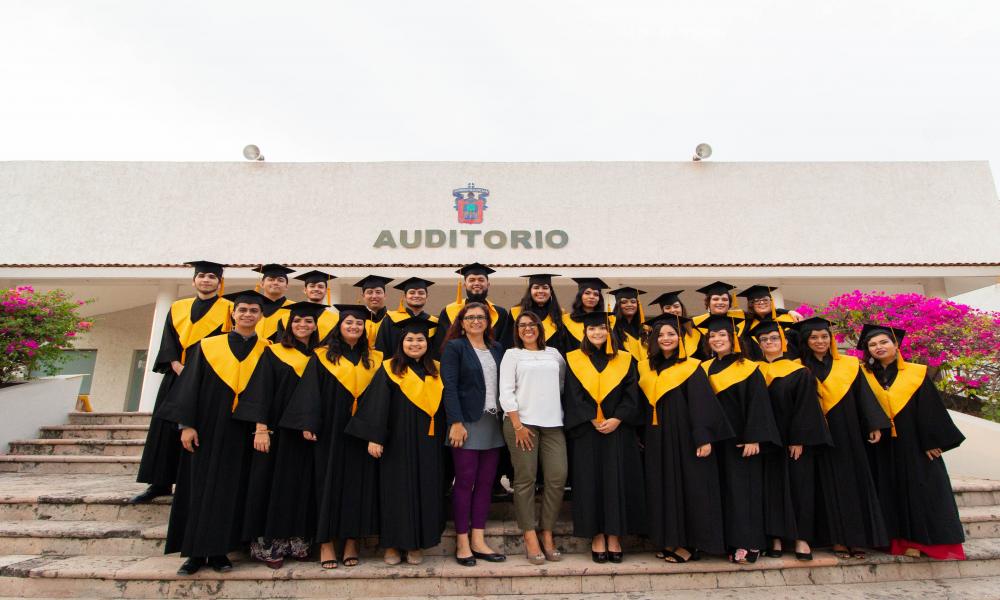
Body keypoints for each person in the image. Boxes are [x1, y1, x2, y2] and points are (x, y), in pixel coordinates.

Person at [156, 289, 270, 575]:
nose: (247, 314)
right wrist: (186, 425)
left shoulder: (267, 349)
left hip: (243, 430)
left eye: (253, 311)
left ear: (261, 315)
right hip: (207, 427)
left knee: (233, 489)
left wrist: (262, 427)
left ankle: (220, 551)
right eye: (242, 310)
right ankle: (194, 554)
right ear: (233, 313)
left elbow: (269, 392)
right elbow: (189, 386)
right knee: (198, 487)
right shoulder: (208, 345)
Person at [280, 304, 384, 569]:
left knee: (358, 485)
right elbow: (310, 390)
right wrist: (308, 422)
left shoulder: (375, 359)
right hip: (330, 429)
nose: (354, 327)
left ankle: (351, 542)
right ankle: (325, 542)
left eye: (358, 324)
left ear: (364, 329)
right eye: (349, 323)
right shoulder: (323, 356)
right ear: (340, 327)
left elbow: (381, 397)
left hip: (361, 431)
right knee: (326, 482)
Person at [858, 324, 966, 560]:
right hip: (881, 445)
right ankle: (894, 541)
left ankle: (922, 541)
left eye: (883, 342)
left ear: (895, 344)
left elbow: (930, 409)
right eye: (872, 344)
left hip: (914, 443)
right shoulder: (865, 375)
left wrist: (932, 441)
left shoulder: (916, 373)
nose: (878, 347)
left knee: (921, 489)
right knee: (888, 489)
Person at [345, 317, 446, 566]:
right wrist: (375, 437)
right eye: (409, 339)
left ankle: (416, 544)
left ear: (427, 343)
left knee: (426, 489)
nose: (415, 343)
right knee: (395, 491)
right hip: (396, 442)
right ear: (401, 343)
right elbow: (378, 403)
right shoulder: (390, 368)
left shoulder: (437, 369)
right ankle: (391, 544)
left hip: (429, 442)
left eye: (420, 339)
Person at [132, 260, 232, 504]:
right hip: (177, 375)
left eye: (212, 277)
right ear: (194, 280)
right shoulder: (178, 307)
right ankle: (160, 483)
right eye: (202, 276)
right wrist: (177, 365)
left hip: (210, 378)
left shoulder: (230, 309)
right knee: (165, 429)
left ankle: (193, 483)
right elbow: (168, 340)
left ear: (220, 282)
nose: (206, 280)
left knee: (201, 428)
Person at [791, 317, 889, 559]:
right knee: (824, 486)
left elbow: (863, 394)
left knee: (852, 483)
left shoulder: (849, 364)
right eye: (814, 337)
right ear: (806, 341)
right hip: (815, 434)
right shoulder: (797, 366)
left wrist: (873, 423)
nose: (820, 341)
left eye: (824, 336)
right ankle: (835, 540)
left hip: (847, 431)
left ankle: (856, 539)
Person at [638, 314, 733, 563]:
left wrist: (703, 437)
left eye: (671, 334)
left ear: (679, 338)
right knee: (663, 487)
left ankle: (691, 544)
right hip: (657, 437)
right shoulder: (644, 367)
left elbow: (701, 404)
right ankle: (671, 539)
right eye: (661, 335)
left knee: (690, 487)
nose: (666, 338)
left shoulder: (691, 366)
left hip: (685, 436)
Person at [238, 301, 326, 568]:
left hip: (306, 433)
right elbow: (261, 391)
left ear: (315, 326)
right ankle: (268, 543)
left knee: (300, 485)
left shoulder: (321, 355)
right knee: (272, 484)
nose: (303, 325)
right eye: (297, 321)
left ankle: (296, 540)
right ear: (289, 325)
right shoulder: (274, 352)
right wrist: (261, 429)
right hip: (277, 431)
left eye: (308, 321)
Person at [563, 311, 645, 564]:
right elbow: (572, 394)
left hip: (618, 431)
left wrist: (618, 418)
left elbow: (632, 394)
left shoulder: (625, 359)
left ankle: (614, 535)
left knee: (616, 482)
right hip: (587, 431)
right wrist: (591, 418)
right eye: (592, 329)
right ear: (585, 333)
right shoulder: (574, 359)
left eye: (601, 328)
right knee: (590, 482)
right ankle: (597, 535)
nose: (597, 333)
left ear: (609, 332)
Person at [699, 314, 781, 564]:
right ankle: (726, 542)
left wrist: (754, 438)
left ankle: (750, 542)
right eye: (712, 336)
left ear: (733, 338)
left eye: (722, 335)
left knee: (743, 491)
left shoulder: (748, 367)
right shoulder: (703, 368)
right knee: (720, 490)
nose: (717, 339)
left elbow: (759, 404)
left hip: (741, 440)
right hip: (715, 441)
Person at [749, 319, 831, 561]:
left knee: (800, 486)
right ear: (759, 345)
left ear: (783, 342)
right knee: (770, 488)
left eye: (774, 338)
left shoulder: (799, 371)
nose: (769, 342)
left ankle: (801, 539)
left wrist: (799, 439)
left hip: (792, 439)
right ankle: (774, 538)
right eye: (764, 340)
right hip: (766, 440)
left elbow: (806, 407)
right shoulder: (752, 371)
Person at [441, 302, 507, 566]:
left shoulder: (497, 348)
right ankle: (462, 542)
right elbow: (449, 386)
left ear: (488, 322)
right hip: (466, 422)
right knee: (465, 481)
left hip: (493, 421)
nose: (476, 321)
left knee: (486, 483)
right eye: (470, 317)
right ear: (462, 322)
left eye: (481, 317)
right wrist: (455, 422)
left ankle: (478, 539)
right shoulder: (455, 347)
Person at [499, 310, 567, 565]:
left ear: (540, 328)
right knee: (525, 478)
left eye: (532, 324)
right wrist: (517, 425)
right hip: (522, 423)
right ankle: (529, 535)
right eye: (522, 325)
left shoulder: (554, 354)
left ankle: (547, 531)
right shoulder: (512, 355)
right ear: (517, 331)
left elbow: (561, 385)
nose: (527, 328)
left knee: (557, 476)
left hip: (553, 423)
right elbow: (506, 391)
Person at [434, 262, 513, 350]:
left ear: (488, 285)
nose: (476, 283)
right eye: (471, 280)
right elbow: (440, 344)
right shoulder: (449, 311)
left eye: (481, 280)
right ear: (465, 285)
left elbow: (505, 345)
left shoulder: (500, 313)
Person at [375, 277, 439, 356]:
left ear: (427, 296)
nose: (416, 295)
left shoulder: (434, 322)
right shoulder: (390, 319)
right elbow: (381, 348)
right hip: (393, 363)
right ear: (405, 297)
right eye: (412, 292)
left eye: (421, 293)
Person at [737, 285, 801, 360]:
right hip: (758, 365)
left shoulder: (788, 320)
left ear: (771, 302)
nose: (761, 302)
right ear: (751, 305)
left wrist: (788, 311)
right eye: (756, 300)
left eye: (765, 300)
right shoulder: (746, 326)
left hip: (791, 364)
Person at [510, 273, 566, 355]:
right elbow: (509, 342)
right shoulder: (516, 312)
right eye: (536, 287)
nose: (540, 291)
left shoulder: (560, 314)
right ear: (530, 291)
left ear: (551, 291)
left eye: (545, 288)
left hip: (552, 360)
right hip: (523, 359)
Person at [561, 277, 610, 354]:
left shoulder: (607, 320)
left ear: (599, 299)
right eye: (587, 293)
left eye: (596, 294)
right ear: (580, 295)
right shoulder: (566, 320)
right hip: (573, 359)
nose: (592, 297)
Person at [648, 290, 700, 358]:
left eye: (676, 306)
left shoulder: (695, 330)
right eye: (668, 308)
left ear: (681, 308)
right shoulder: (656, 332)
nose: (672, 310)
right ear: (663, 311)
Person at [293, 270, 340, 342]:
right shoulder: (288, 318)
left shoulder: (335, 319)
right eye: (312, 286)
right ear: (305, 290)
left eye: (320, 287)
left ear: (326, 291)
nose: (316, 289)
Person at [253, 264, 295, 341]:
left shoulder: (294, 308)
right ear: (262, 284)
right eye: (271, 279)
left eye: (280, 280)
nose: (275, 283)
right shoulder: (251, 307)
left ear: (286, 286)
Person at [353, 274, 393, 347]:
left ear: (385, 296)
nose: (374, 296)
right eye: (370, 292)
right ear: (363, 296)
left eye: (378, 292)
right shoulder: (356, 320)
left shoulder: (394, 319)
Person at [610, 286, 648, 362]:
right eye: (624, 302)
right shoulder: (611, 326)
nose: (629, 304)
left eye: (633, 302)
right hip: (620, 366)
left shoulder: (644, 328)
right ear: (618, 305)